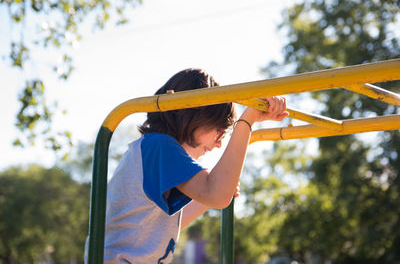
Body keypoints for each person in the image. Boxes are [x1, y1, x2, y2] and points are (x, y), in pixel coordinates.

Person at [85, 68, 288, 264]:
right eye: (219, 133)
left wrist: (211, 195)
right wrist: (247, 120)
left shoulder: (153, 149)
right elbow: (216, 194)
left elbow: (167, 221)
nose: (219, 144)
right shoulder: (160, 147)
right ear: (192, 117)